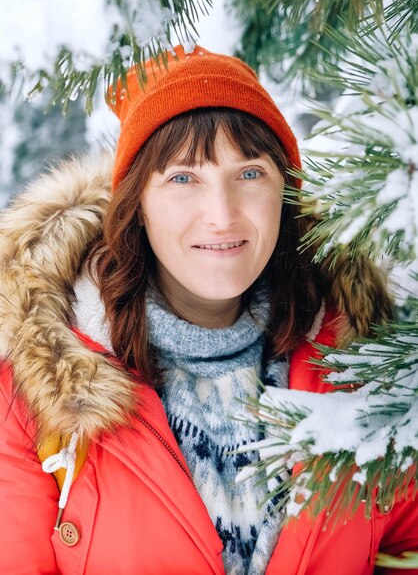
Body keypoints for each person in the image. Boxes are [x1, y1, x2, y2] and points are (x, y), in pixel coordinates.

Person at [0, 45, 416, 575]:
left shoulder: (360, 363)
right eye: (182, 178)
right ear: (137, 207)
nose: (222, 215)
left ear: (285, 193)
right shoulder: (34, 397)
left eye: (249, 174)